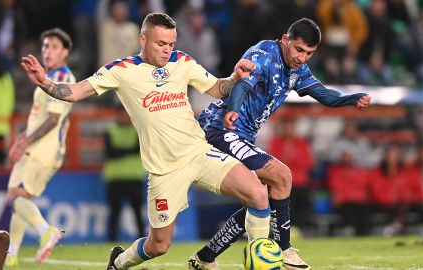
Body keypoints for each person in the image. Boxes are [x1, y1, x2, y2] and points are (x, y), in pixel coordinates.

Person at [20, 13, 271, 270]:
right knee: (158, 245)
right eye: (160, 44)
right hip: (164, 170)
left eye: (171, 44)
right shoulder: (121, 70)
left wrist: (234, 78)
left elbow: (218, 89)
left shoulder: (183, 62)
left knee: (258, 193)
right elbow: (75, 92)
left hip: (199, 153)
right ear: (142, 39)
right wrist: (45, 82)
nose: (167, 50)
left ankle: (260, 261)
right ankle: (118, 262)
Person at [193, 18, 371, 270]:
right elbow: (242, 83)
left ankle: (204, 258)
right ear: (286, 40)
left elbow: (324, 94)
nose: (302, 58)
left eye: (309, 53)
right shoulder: (264, 54)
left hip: (241, 136)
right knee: (282, 175)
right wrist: (232, 111)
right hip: (221, 128)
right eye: (299, 49)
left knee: (258, 203)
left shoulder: (297, 70)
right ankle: (284, 250)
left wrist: (351, 99)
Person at [4, 28, 75, 267]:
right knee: (19, 199)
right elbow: (38, 117)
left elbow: (54, 119)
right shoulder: (48, 76)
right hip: (34, 146)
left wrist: (25, 140)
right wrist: (21, 138)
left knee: (14, 197)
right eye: (45, 46)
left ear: (65, 52)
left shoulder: (62, 78)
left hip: (43, 148)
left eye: (54, 46)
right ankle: (11, 255)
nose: (47, 51)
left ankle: (46, 231)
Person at [103, 105, 146, 241]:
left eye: (127, 114)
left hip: (134, 177)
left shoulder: (138, 130)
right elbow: (109, 153)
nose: (124, 117)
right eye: (122, 114)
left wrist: (119, 150)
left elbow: (137, 149)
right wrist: (129, 150)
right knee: (114, 212)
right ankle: (111, 241)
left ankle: (143, 241)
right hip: (115, 178)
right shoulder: (111, 130)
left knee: (138, 212)